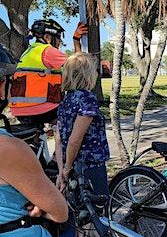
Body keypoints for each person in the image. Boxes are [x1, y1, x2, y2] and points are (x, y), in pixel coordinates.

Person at [0, 47, 68, 236]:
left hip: (24, 112)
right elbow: (60, 212)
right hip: (43, 109)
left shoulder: (30, 50)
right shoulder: (8, 149)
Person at [54, 53, 110, 236]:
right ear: (87, 73)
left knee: (77, 217)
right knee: (94, 218)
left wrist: (62, 170)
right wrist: (68, 167)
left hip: (71, 168)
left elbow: (59, 139)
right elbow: (75, 140)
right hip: (89, 167)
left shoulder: (65, 101)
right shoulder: (87, 99)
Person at [9, 19, 88, 126]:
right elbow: (79, 65)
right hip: (40, 108)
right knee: (80, 119)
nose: (60, 41)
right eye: (58, 37)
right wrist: (76, 40)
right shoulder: (47, 50)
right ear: (47, 37)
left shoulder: (28, 52)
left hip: (19, 110)